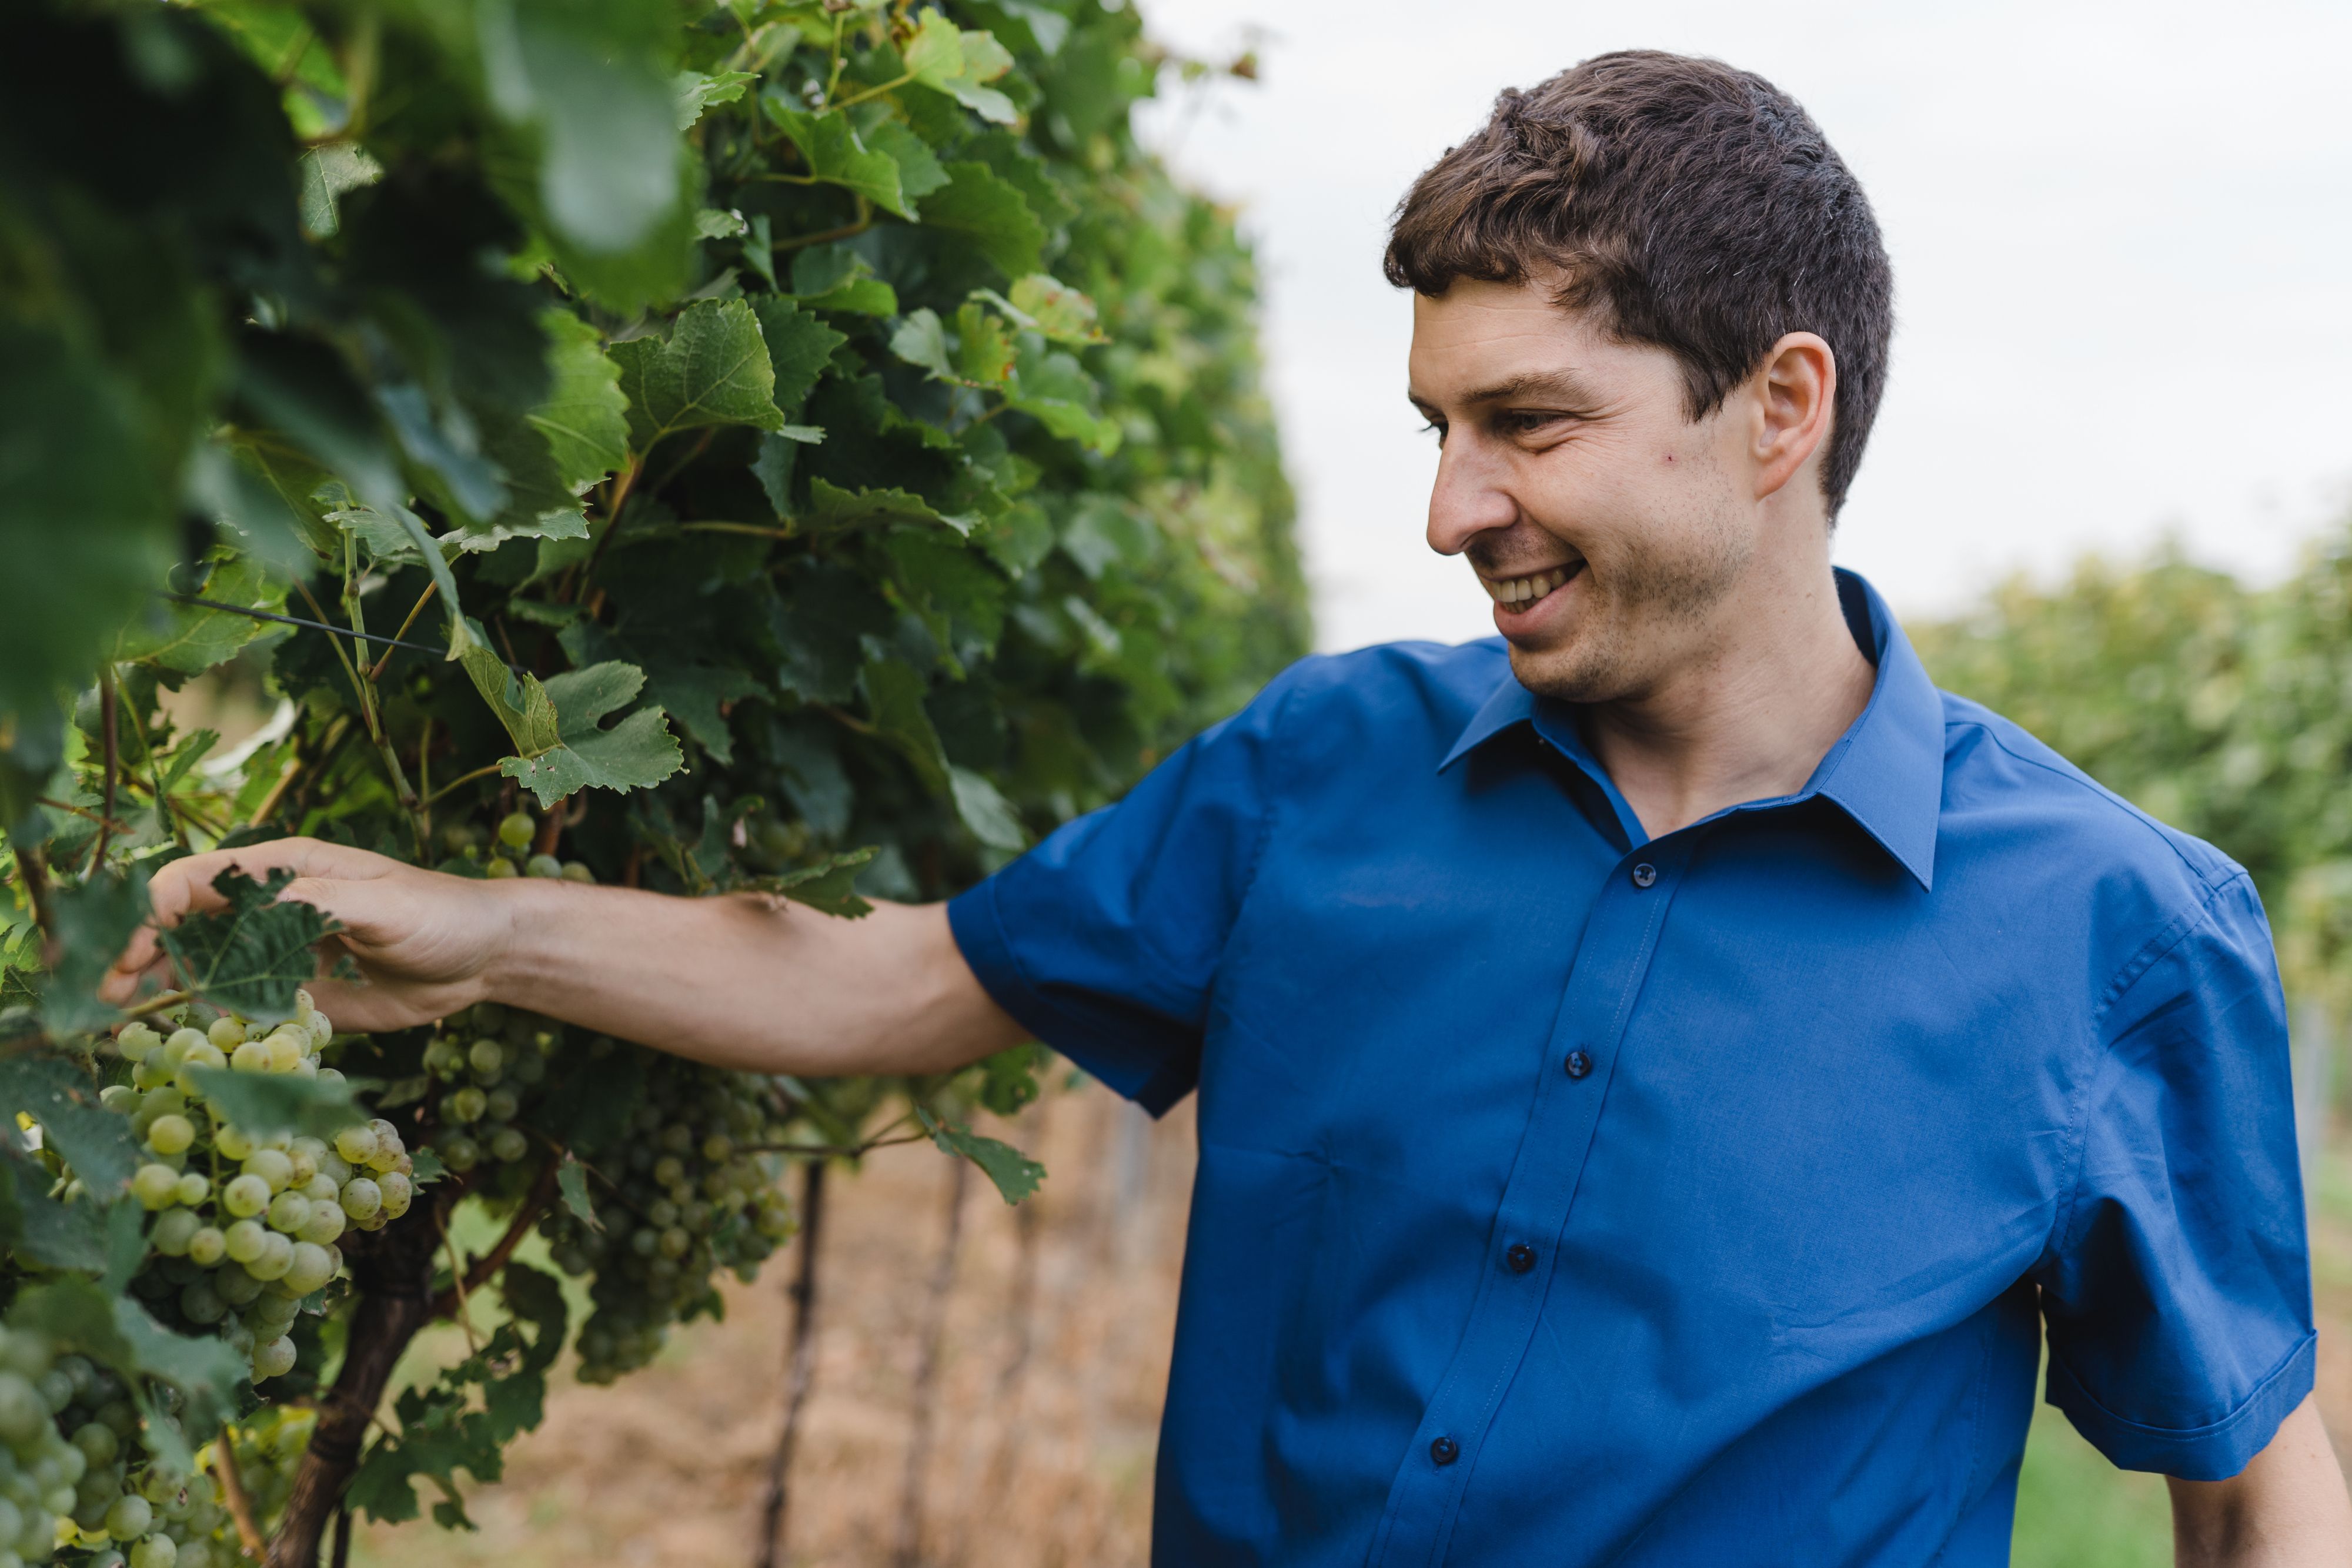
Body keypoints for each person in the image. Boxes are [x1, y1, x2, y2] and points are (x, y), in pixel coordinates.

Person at [110, 50, 2349, 1567]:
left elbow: (2258, 1494)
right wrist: (470, 926)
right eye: (1434, 430)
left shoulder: (2110, 934)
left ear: (1779, 407)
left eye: (1533, 426)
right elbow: (905, 981)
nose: (1460, 505)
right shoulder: (1320, 768)